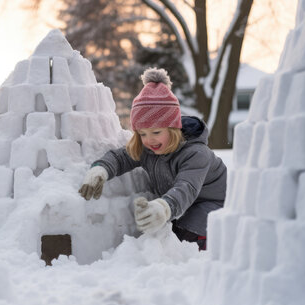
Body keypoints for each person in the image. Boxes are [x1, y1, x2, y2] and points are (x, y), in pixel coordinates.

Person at [79, 68, 227, 250]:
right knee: (164, 235)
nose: (149, 140)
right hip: (181, 206)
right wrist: (101, 169)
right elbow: (121, 158)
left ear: (173, 128)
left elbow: (186, 188)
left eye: (156, 132)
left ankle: (212, 247)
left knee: (182, 239)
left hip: (212, 205)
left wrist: (165, 208)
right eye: (142, 133)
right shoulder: (148, 148)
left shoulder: (196, 153)